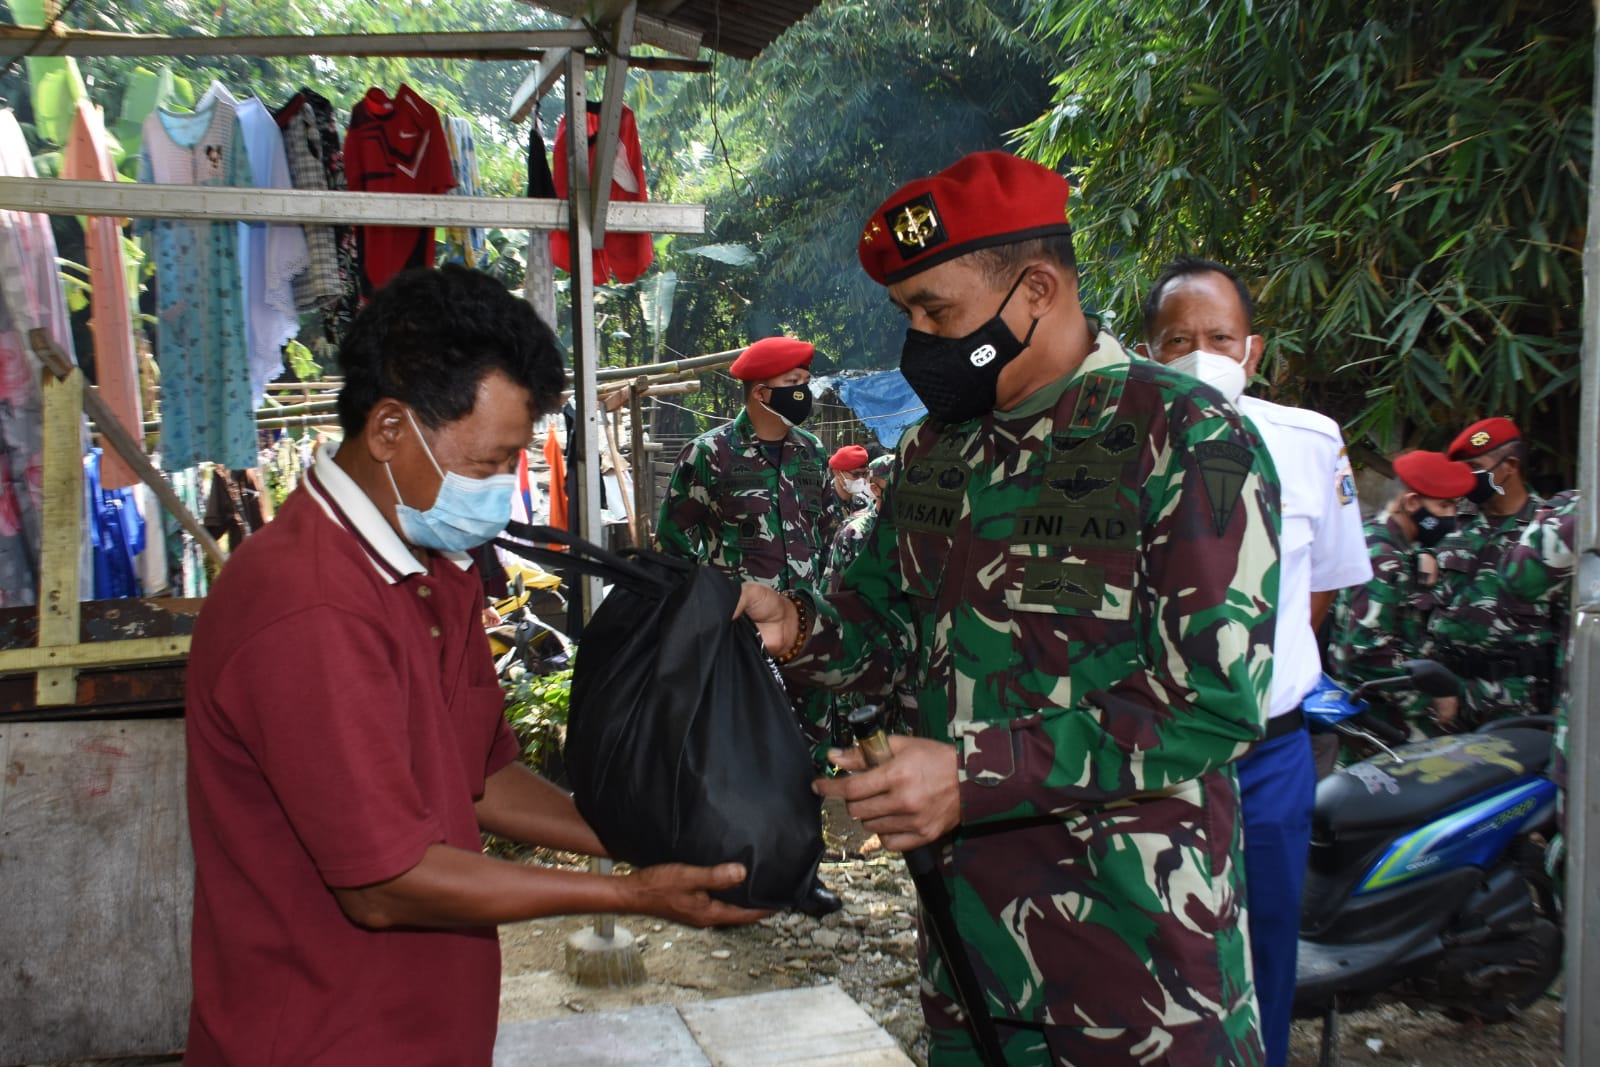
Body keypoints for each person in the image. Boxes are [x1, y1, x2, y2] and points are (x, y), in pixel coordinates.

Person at [738, 151, 1281, 1064]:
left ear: (1034, 289)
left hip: (1139, 977)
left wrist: (970, 772)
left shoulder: (1182, 435)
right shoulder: (935, 450)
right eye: (906, 313)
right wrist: (795, 627)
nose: (919, 337)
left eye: (937, 312)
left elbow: (1213, 702)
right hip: (968, 955)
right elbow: (881, 626)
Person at [183, 266, 763, 1067]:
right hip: (319, 1039)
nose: (503, 488)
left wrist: (652, 837)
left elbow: (482, 777)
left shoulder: (435, 569)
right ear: (389, 431)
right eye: (490, 463)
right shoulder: (307, 607)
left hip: (430, 1033)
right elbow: (385, 883)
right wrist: (630, 894)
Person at [1137, 256, 1372, 1067]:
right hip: (1157, 756)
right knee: (1161, 947)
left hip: (1270, 752)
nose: (1200, 354)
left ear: (1252, 350)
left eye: (1219, 337)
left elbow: (1318, 592)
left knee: (1268, 936)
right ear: (1148, 352)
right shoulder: (1116, 453)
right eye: (1178, 340)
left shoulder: (1309, 444)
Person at [656, 335, 840, 754]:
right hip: (741, 638)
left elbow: (830, 533)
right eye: (794, 381)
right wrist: (708, 608)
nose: (804, 392)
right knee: (742, 754)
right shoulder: (709, 454)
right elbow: (672, 542)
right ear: (760, 393)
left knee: (809, 759)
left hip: (807, 633)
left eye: (806, 381)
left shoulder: (811, 452)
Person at [1327, 450, 1476, 734]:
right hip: (1384, 722)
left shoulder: (1391, 545)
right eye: (1444, 506)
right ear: (1412, 503)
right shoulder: (1383, 558)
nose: (1452, 517)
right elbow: (1364, 651)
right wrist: (1430, 696)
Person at [1428, 417, 1551, 727]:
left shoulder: (1549, 530)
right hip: (1446, 695)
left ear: (1509, 466)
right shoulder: (1447, 520)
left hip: (1518, 700)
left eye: (1473, 468)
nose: (1465, 479)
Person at [823, 444, 889, 595]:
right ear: (837, 473)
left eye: (864, 474)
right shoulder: (822, 503)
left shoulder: (862, 502)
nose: (860, 480)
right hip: (826, 576)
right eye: (855, 475)